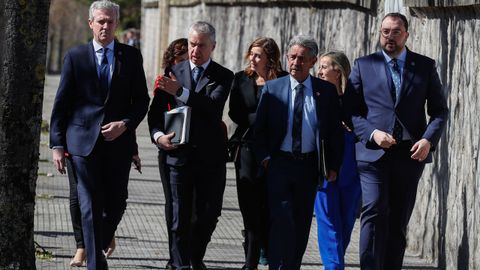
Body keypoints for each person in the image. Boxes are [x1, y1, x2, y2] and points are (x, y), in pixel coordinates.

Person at [49, 0, 150, 269]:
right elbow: (61, 103)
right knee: (89, 204)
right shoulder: (75, 56)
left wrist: (125, 124)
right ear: (91, 23)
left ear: (117, 24)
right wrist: (57, 144)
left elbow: (141, 100)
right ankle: (96, 263)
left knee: (117, 202)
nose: (105, 26)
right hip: (82, 143)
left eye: (110, 21)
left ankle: (100, 244)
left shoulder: (130, 56)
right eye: (100, 21)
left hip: (118, 142)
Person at [345, 13, 449, 270]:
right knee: (374, 210)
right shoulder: (363, 65)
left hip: (410, 155)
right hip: (372, 153)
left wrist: (428, 140)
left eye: (395, 31)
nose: (389, 36)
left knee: (398, 220)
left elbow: (439, 111)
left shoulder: (424, 66)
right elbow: (349, 110)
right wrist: (372, 133)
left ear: (406, 34)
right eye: (385, 31)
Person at [147, 21, 234, 270]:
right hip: (177, 156)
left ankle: (193, 256)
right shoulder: (173, 71)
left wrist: (181, 92)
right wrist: (158, 136)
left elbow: (213, 107)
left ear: (213, 46)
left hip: (210, 158)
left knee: (208, 214)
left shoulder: (223, 75)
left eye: (201, 45)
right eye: (191, 44)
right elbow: (155, 115)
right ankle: (179, 264)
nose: (195, 50)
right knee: (178, 215)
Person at [254, 35, 344, 270]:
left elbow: (334, 132)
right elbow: (259, 129)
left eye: (302, 58)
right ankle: (277, 265)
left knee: (301, 222)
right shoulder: (273, 89)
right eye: (292, 57)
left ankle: (292, 265)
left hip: (308, 166)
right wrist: (265, 158)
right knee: (281, 218)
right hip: (279, 164)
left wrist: (333, 166)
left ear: (313, 61)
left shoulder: (324, 92)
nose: (296, 62)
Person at [228, 37, 287, 270]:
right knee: (249, 207)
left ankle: (271, 255)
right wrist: (261, 121)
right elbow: (235, 112)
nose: (252, 59)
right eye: (251, 54)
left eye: (258, 55)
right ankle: (250, 261)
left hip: (275, 152)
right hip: (247, 148)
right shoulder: (240, 78)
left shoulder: (283, 80)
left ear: (270, 59)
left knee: (270, 207)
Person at [314, 51, 361, 270]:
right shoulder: (316, 96)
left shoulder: (356, 100)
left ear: (339, 72)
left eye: (325, 66)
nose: (319, 71)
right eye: (320, 67)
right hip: (325, 165)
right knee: (328, 220)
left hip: (352, 168)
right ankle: (333, 267)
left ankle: (336, 262)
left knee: (346, 220)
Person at [66, 145, 141, 267]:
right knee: (76, 195)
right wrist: (57, 145)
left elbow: (128, 126)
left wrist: (133, 149)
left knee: (108, 196)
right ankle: (82, 246)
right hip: (75, 141)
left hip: (109, 144)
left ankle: (102, 237)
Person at [154, 37, 188, 270]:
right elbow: (154, 116)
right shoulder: (163, 83)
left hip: (200, 154)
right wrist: (159, 137)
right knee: (174, 207)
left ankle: (188, 256)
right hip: (171, 149)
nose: (183, 65)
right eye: (179, 61)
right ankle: (176, 260)